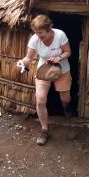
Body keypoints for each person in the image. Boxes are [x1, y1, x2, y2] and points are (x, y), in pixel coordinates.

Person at [17, 14, 72, 146]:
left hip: (61, 70)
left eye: (40, 32)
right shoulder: (34, 39)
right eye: (36, 32)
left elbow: (68, 51)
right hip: (43, 71)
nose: (38, 35)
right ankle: (44, 130)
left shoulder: (60, 35)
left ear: (49, 28)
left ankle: (67, 108)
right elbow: (29, 58)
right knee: (40, 100)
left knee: (65, 99)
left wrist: (59, 58)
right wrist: (22, 63)